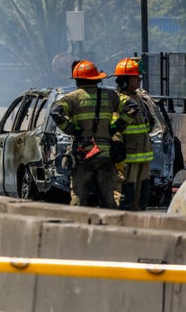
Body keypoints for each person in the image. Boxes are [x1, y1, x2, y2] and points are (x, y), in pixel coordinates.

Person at [50, 59, 132, 209]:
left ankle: (78, 227)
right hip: (105, 155)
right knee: (108, 198)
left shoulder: (72, 98)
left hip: (83, 156)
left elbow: (55, 112)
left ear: (77, 80)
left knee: (79, 199)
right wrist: (115, 127)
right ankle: (111, 228)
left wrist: (71, 129)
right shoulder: (110, 95)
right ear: (97, 78)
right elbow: (132, 107)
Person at [114, 57, 156, 210]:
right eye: (135, 78)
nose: (139, 80)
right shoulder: (119, 101)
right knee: (127, 199)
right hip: (128, 160)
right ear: (125, 80)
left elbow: (148, 124)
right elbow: (115, 128)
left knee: (142, 199)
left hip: (143, 159)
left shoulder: (139, 99)